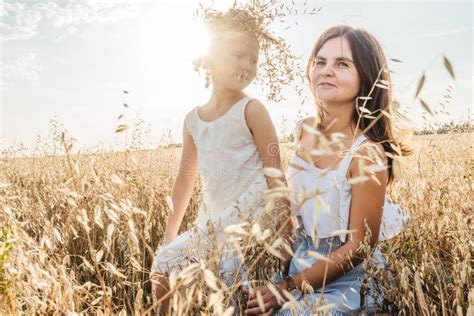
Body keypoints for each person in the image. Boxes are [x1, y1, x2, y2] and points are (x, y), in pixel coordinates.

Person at [244, 25, 411, 315]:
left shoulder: (366, 154)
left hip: (347, 279)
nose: (326, 70)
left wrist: (288, 288)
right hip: (300, 261)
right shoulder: (306, 130)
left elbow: (359, 249)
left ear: (366, 77)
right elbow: (296, 210)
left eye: (342, 63)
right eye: (320, 61)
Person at [150, 9, 291, 314]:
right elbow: (185, 179)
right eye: (238, 56)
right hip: (213, 221)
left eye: (253, 60)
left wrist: (286, 233)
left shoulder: (252, 110)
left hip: (251, 221)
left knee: (237, 294)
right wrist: (169, 236)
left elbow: (276, 175)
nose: (247, 66)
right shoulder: (193, 121)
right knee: (162, 264)